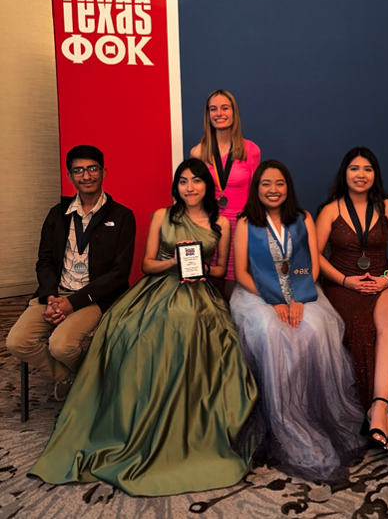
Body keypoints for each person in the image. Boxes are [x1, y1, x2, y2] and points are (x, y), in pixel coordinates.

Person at [29, 159, 258, 496]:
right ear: (176, 187)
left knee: (189, 323)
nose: (189, 187)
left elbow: (221, 268)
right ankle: (134, 415)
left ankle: (184, 419)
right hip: (158, 288)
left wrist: (199, 269)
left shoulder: (222, 222)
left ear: (207, 185)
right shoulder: (162, 216)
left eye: (196, 181)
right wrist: (175, 261)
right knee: (132, 330)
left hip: (198, 291)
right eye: (182, 181)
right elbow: (147, 264)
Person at [230, 160, 367, 482]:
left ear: (287, 187)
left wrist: (296, 299)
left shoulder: (303, 218)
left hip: (301, 288)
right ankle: (284, 418)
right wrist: (275, 300)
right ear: (257, 188)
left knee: (315, 328)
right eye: (266, 184)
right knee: (270, 331)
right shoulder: (246, 222)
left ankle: (316, 411)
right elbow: (241, 272)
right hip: (256, 294)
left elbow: (310, 264)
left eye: (279, 183)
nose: (273, 190)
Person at [7, 145, 135, 401]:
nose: (86, 176)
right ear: (69, 176)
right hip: (57, 293)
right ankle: (69, 377)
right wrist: (51, 297)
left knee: (61, 345)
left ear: (104, 172)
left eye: (92, 168)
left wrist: (73, 303)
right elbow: (44, 261)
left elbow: (119, 274)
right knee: (17, 342)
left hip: (93, 297)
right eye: (78, 170)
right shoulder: (58, 214)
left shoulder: (121, 216)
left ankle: (87, 378)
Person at [316, 147, 388, 451]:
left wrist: (387, 279)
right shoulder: (330, 210)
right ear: (345, 173)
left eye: (367, 169)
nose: (361, 174)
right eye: (354, 168)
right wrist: (345, 281)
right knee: (361, 324)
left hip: (383, 284)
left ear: (374, 175)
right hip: (342, 286)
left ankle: (377, 406)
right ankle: (380, 410)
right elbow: (315, 256)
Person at [191, 89, 261, 301]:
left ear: (233, 113)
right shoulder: (198, 152)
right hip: (211, 229)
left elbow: (255, 196)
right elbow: (195, 198)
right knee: (212, 293)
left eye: (224, 108)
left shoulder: (251, 150)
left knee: (234, 294)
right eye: (213, 109)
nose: (219, 113)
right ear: (208, 115)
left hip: (241, 230)